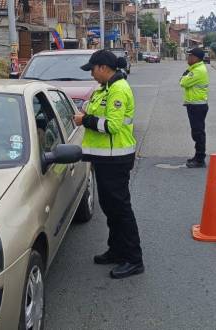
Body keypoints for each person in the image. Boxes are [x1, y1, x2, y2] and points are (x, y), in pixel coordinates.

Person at [74, 50, 144, 279]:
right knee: (110, 208)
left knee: (121, 210)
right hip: (104, 158)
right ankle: (116, 250)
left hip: (116, 158)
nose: (92, 75)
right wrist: (86, 113)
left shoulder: (118, 90)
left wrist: (84, 120)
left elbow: (112, 126)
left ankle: (133, 259)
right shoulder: (103, 89)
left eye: (92, 70)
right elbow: (92, 110)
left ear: (103, 67)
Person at [180, 47, 210, 168]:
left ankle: (200, 159)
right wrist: (185, 75)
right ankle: (198, 156)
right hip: (195, 104)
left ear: (196, 58)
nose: (188, 58)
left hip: (197, 105)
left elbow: (183, 82)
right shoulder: (195, 68)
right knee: (196, 132)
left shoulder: (198, 70)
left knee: (198, 133)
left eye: (190, 56)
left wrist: (184, 76)